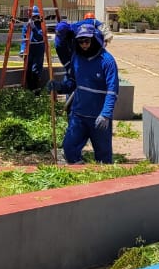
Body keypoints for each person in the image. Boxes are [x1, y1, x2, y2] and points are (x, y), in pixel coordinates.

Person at [49, 22, 119, 164]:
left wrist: (106, 114)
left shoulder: (107, 61)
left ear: (95, 39)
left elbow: (112, 91)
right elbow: (72, 83)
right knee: (69, 149)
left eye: (87, 41)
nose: (84, 45)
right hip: (79, 116)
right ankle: (79, 174)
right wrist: (59, 87)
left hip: (99, 118)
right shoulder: (77, 58)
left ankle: (103, 183)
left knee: (103, 156)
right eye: (80, 42)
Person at [21, 5, 46, 90]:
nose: (35, 18)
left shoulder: (41, 25)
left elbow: (40, 36)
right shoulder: (26, 25)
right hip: (29, 48)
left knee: (36, 69)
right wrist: (22, 49)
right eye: (33, 16)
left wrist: (34, 28)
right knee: (27, 68)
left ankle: (36, 89)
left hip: (39, 47)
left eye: (36, 16)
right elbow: (24, 39)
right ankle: (30, 89)